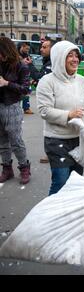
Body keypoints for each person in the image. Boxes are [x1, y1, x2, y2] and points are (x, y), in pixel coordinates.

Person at [36, 41, 84, 196]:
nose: (75, 59)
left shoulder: (82, 80)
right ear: (59, 58)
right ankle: (51, 215)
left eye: (76, 56)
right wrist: (69, 115)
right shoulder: (47, 82)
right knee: (60, 182)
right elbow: (44, 111)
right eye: (70, 56)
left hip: (79, 139)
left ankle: (70, 216)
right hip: (56, 140)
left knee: (75, 182)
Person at [0, 37, 32, 185]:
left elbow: (26, 89)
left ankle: (24, 167)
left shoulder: (21, 66)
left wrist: (7, 83)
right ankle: (7, 168)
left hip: (12, 106)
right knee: (2, 141)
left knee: (16, 140)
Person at [24, 37, 55, 164]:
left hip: (52, 101)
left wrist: (30, 65)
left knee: (51, 129)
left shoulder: (51, 63)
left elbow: (40, 78)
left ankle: (51, 154)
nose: (41, 49)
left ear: (52, 49)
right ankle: (52, 153)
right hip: (50, 100)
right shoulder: (47, 61)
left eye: (44, 47)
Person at [17, 42, 33, 115]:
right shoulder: (15, 53)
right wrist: (21, 62)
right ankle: (16, 107)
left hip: (25, 75)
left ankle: (26, 108)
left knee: (27, 92)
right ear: (22, 47)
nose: (27, 50)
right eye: (26, 48)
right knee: (17, 92)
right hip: (17, 76)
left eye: (28, 49)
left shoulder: (27, 55)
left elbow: (29, 65)